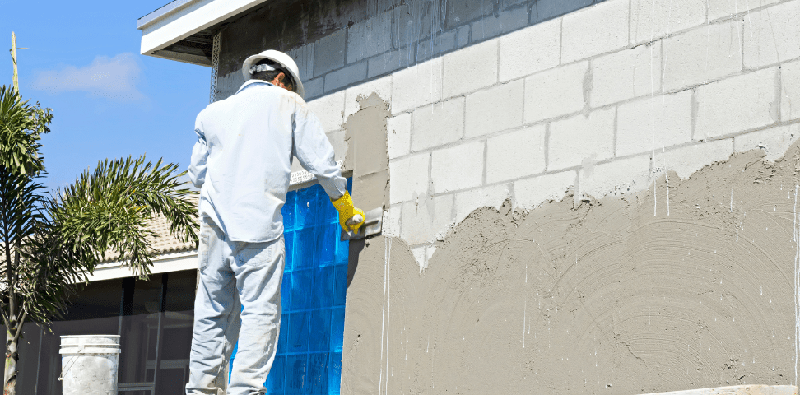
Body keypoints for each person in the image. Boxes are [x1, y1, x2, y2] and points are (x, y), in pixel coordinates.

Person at [185, 50, 364, 395]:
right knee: (259, 312)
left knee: (211, 314)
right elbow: (322, 163)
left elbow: (196, 176)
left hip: (213, 229)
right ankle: (244, 390)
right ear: (282, 80)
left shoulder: (212, 114)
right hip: (257, 227)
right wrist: (344, 204)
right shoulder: (287, 104)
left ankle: (201, 390)